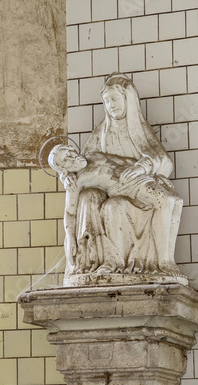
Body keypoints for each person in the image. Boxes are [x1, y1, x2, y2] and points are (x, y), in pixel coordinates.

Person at [73, 72, 177, 275]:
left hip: (138, 188)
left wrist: (141, 166)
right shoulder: (102, 131)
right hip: (112, 191)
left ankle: (164, 262)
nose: (111, 105)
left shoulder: (138, 129)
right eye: (107, 101)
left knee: (166, 200)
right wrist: (67, 173)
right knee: (103, 203)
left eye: (115, 99)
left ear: (128, 99)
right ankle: (102, 262)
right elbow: (84, 163)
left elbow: (163, 161)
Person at [48, 144, 184, 279]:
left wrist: (145, 170)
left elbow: (123, 161)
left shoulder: (93, 156)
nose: (72, 157)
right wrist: (71, 238)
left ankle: (167, 259)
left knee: (175, 200)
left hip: (139, 177)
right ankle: (165, 262)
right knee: (165, 201)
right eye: (65, 160)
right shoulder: (76, 181)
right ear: (63, 169)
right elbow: (70, 212)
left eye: (69, 152)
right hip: (125, 189)